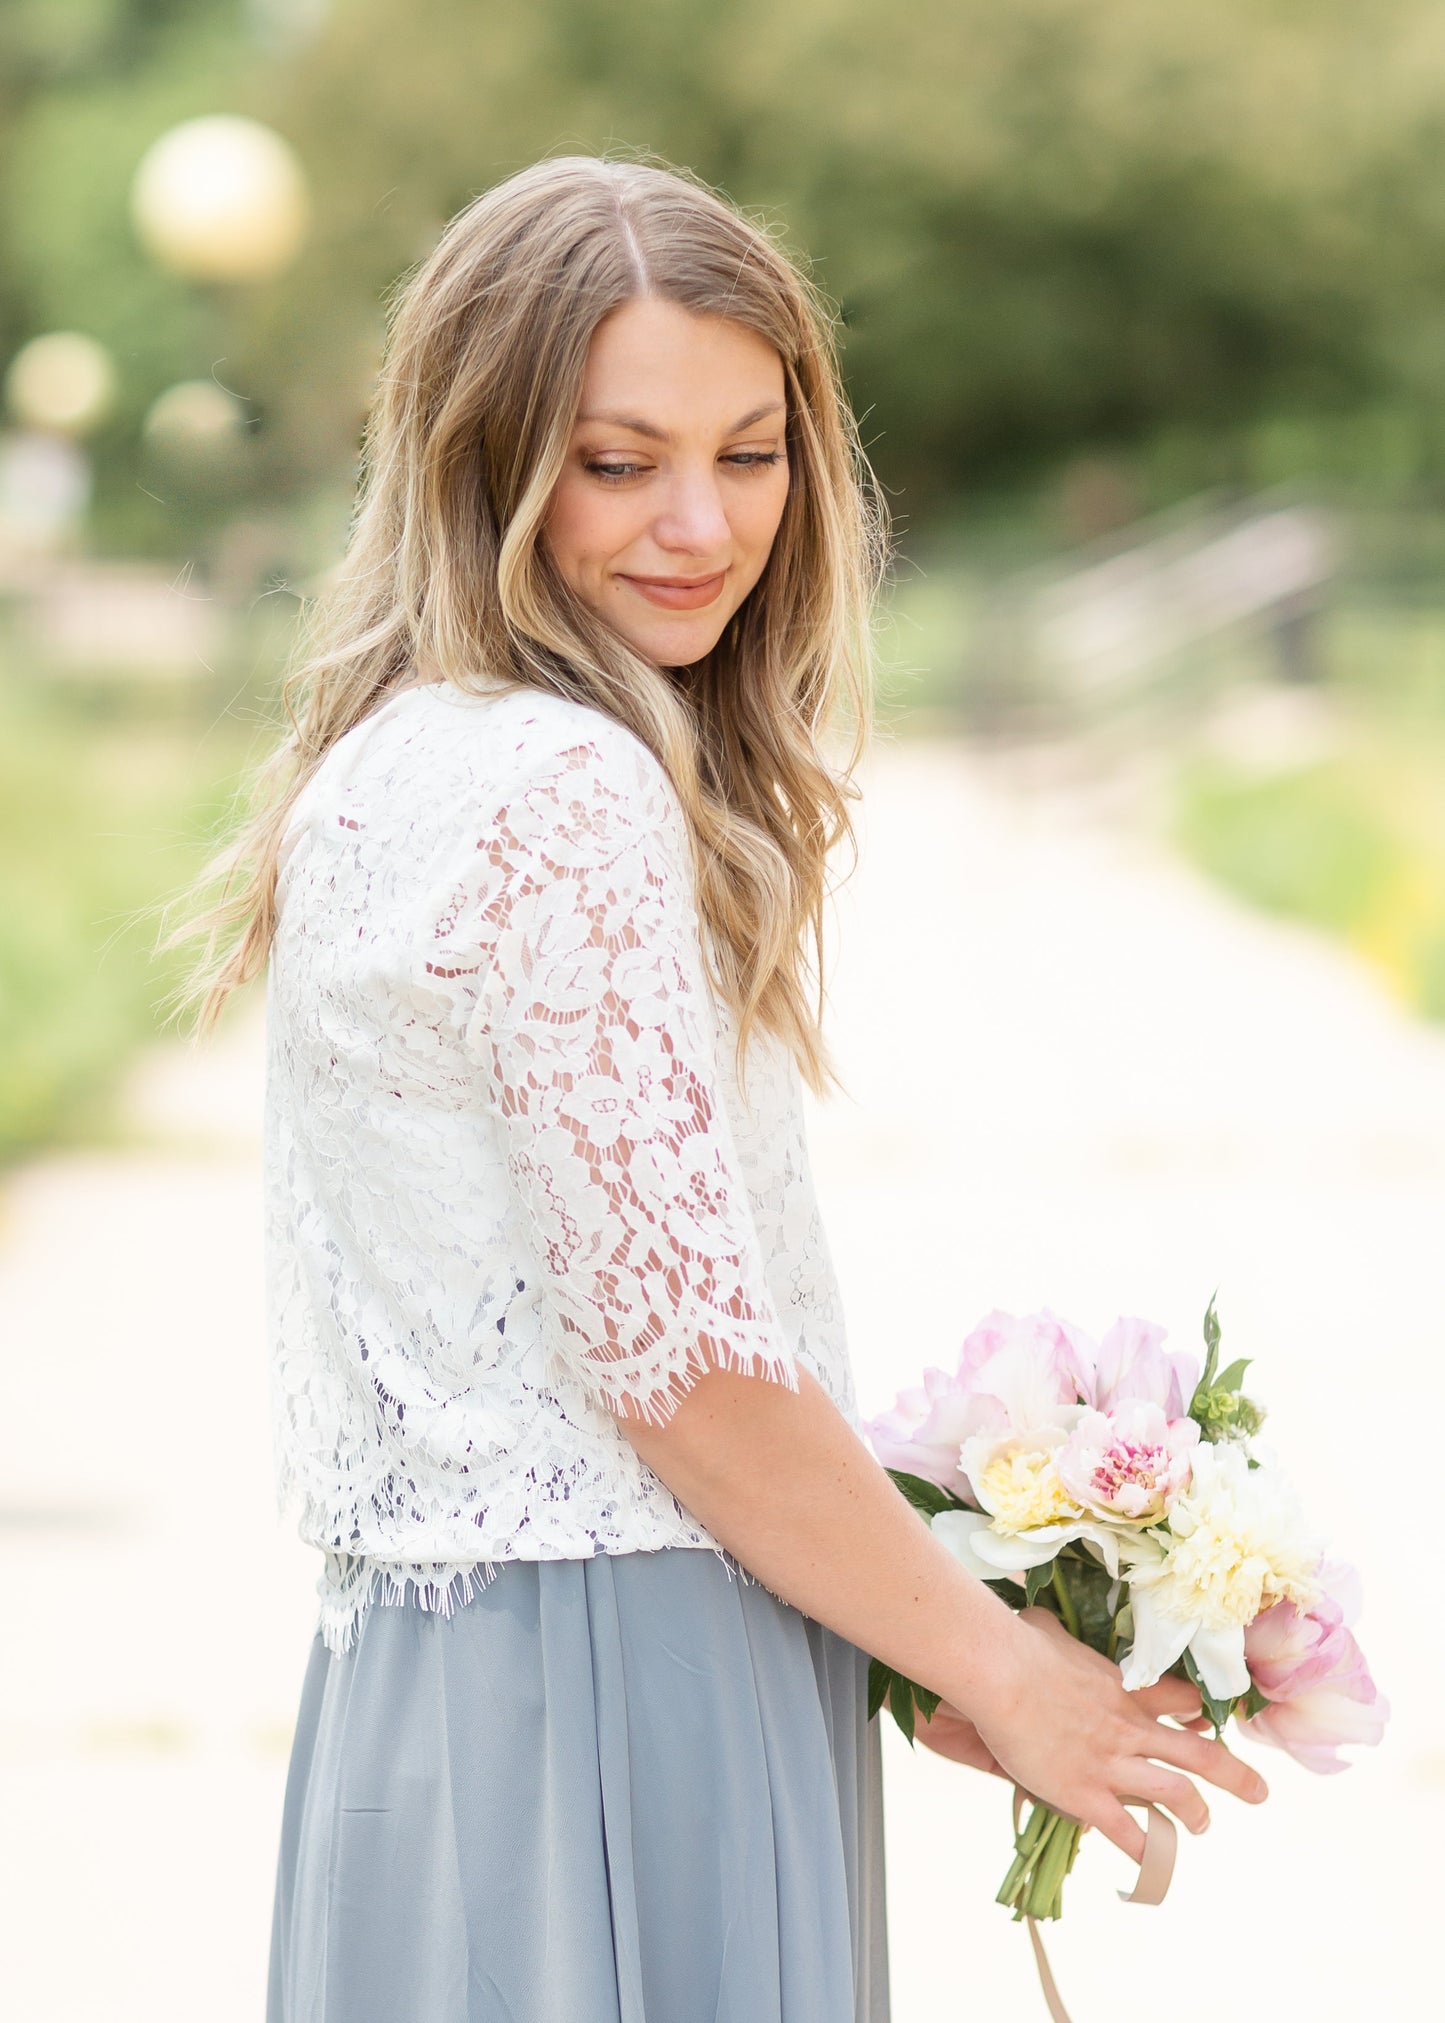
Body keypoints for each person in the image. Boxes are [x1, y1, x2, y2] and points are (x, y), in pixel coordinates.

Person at [169, 154, 1266, 2023]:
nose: (698, 522)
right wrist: (1006, 1672)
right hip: (632, 1688)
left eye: (748, 453)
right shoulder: (566, 791)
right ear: (479, 463)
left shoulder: (382, 764)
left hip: (429, 1700)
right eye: (617, 461)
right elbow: (678, 1372)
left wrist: (914, 1635)